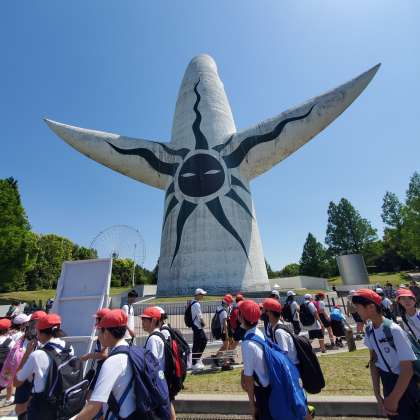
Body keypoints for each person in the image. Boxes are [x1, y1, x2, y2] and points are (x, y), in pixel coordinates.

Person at [352, 289, 418, 419]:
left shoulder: (393, 330)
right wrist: (378, 394)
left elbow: (407, 369)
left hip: (405, 386)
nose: (355, 311)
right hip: (387, 382)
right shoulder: (369, 329)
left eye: (358, 307)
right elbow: (373, 361)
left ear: (371, 307)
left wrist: (393, 399)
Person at [75, 309, 137, 420]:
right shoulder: (130, 351)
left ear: (106, 333)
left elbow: (94, 406)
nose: (98, 335)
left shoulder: (112, 361)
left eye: (99, 331)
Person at [14, 313, 74, 420]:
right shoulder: (69, 347)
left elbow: (16, 382)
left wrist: (27, 353)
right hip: (61, 403)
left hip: (41, 407)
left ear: (39, 332)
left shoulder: (37, 355)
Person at [141, 306, 176, 420]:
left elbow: (152, 365)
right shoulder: (159, 335)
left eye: (145, 319)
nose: (142, 322)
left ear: (153, 321)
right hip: (162, 379)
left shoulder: (153, 339)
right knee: (167, 406)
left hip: (156, 382)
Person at [13, 311, 47, 420]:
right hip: (34, 378)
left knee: (22, 409)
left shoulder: (23, 338)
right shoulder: (26, 339)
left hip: (27, 377)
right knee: (24, 409)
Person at [80, 308, 110, 397]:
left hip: (103, 366)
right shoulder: (109, 332)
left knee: (91, 394)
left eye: (98, 319)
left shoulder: (104, 333)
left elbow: (104, 354)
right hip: (104, 366)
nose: (96, 321)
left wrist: (88, 356)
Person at [263, 298, 299, 366]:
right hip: (288, 364)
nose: (263, 313)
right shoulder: (274, 327)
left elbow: (283, 354)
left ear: (270, 313)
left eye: (265, 311)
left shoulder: (279, 332)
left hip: (291, 366)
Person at [190, 288, 208, 371]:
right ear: (198, 295)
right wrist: (203, 323)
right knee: (202, 341)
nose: (203, 296)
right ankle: (195, 362)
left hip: (195, 326)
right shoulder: (196, 304)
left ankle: (196, 360)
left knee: (198, 343)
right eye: (202, 294)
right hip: (197, 326)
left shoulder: (192, 302)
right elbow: (199, 315)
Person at [215, 294, 233, 367]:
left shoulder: (219, 308)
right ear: (226, 302)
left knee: (226, 345)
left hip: (221, 330)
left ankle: (219, 357)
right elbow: (225, 324)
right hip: (224, 331)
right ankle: (220, 359)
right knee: (226, 346)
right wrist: (227, 335)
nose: (230, 304)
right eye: (229, 302)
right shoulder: (223, 312)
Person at [0, 318, 15, 406]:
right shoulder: (11, 341)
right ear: (8, 329)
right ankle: (8, 398)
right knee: (9, 381)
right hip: (6, 366)